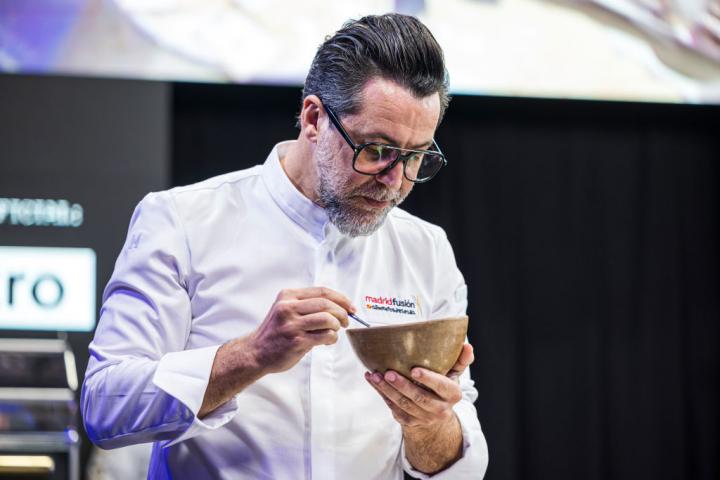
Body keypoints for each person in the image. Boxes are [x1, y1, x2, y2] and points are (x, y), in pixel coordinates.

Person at [81, 13, 489, 479]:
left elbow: (463, 465)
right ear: (314, 119)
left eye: (415, 157)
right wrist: (251, 355)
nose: (395, 181)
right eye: (376, 151)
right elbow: (105, 407)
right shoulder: (183, 221)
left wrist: (428, 423)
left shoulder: (426, 250)